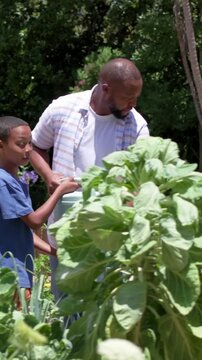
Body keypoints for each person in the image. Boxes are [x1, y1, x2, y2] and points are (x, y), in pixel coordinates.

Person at [30, 57, 149, 300]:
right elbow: (35, 146)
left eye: (136, 97)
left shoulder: (137, 126)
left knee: (104, 307)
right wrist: (50, 176)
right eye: (127, 98)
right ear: (106, 88)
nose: (133, 104)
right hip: (65, 231)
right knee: (66, 305)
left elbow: (141, 180)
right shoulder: (63, 108)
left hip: (110, 234)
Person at [0, 116, 80, 308]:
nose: (28, 150)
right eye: (20, 144)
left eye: (30, 143)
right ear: (1, 146)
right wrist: (59, 191)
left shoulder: (13, 178)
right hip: (9, 275)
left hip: (18, 273)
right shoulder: (3, 181)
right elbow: (35, 221)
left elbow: (23, 231)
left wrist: (55, 252)